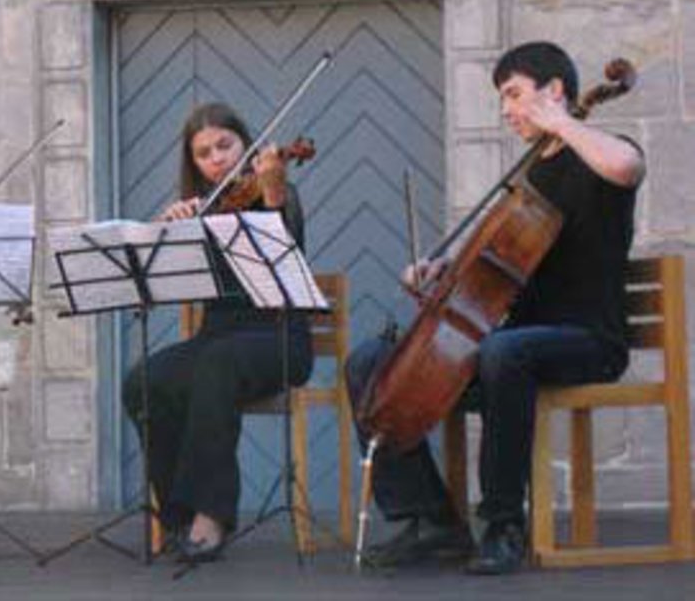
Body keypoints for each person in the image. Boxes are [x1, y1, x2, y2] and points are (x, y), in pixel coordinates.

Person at [346, 41, 645, 575]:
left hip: (587, 340)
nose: (506, 110)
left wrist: (562, 123)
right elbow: (495, 269)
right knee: (369, 362)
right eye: (502, 98)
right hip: (512, 347)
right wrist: (441, 274)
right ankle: (431, 519)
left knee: (505, 352)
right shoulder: (529, 179)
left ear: (554, 91)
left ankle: (504, 524)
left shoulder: (599, 152)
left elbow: (627, 167)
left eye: (514, 95)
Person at [122, 102, 315, 563]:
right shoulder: (202, 211)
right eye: (204, 153)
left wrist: (271, 192)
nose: (216, 158)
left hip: (278, 336)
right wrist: (166, 237)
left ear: (246, 144)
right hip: (219, 337)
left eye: (225, 145)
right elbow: (150, 283)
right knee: (144, 380)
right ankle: (176, 515)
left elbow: (284, 244)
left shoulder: (279, 193)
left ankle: (213, 513)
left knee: (217, 364)